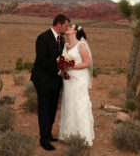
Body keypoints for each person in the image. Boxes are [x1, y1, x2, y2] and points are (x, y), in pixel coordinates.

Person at [30, 14, 70, 151]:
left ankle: (48, 133)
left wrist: (65, 69)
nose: (67, 28)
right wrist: (59, 71)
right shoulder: (43, 37)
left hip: (56, 81)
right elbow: (42, 60)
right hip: (42, 80)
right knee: (44, 108)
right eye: (66, 26)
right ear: (58, 24)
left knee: (53, 107)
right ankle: (44, 139)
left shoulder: (62, 40)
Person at [59, 24, 95, 146]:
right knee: (68, 103)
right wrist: (63, 71)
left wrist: (70, 67)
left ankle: (83, 136)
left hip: (79, 79)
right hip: (68, 79)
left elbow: (86, 63)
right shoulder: (65, 46)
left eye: (70, 27)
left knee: (79, 104)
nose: (67, 28)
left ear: (75, 32)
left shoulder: (81, 45)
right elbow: (63, 60)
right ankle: (68, 134)